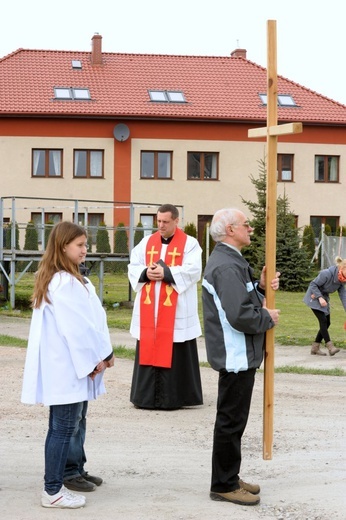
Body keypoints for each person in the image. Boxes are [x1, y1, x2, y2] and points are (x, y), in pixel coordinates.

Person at [21, 221, 114, 509]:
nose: (86, 250)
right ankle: (53, 490)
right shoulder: (63, 282)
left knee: (65, 425)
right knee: (62, 428)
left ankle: (65, 477)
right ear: (63, 247)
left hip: (71, 365)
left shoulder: (69, 278)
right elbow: (76, 329)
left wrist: (104, 353)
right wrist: (91, 362)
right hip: (68, 367)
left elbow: (92, 320)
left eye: (86, 244)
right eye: (80, 246)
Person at [202, 208, 280, 506]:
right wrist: (266, 317)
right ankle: (223, 484)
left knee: (235, 419)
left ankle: (230, 476)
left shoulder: (231, 261)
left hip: (241, 353)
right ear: (230, 229)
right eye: (246, 224)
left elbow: (241, 301)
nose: (251, 228)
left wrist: (261, 288)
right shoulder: (225, 266)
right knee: (231, 421)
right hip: (235, 354)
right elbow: (238, 314)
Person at [128, 203, 203, 410]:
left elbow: (194, 270)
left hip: (175, 308)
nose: (160, 225)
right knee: (149, 345)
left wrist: (167, 273)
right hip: (149, 311)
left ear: (176, 221)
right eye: (158, 221)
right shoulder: (145, 243)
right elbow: (133, 266)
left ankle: (175, 397)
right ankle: (145, 398)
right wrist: (145, 273)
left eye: (165, 222)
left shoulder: (190, 244)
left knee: (175, 348)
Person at [303, 256, 346, 356]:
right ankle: (330, 347)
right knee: (323, 320)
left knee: (327, 322)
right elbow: (313, 284)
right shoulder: (326, 273)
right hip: (314, 297)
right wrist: (319, 297)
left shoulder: (342, 280)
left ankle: (315, 348)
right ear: (343, 268)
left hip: (323, 298)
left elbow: (343, 296)